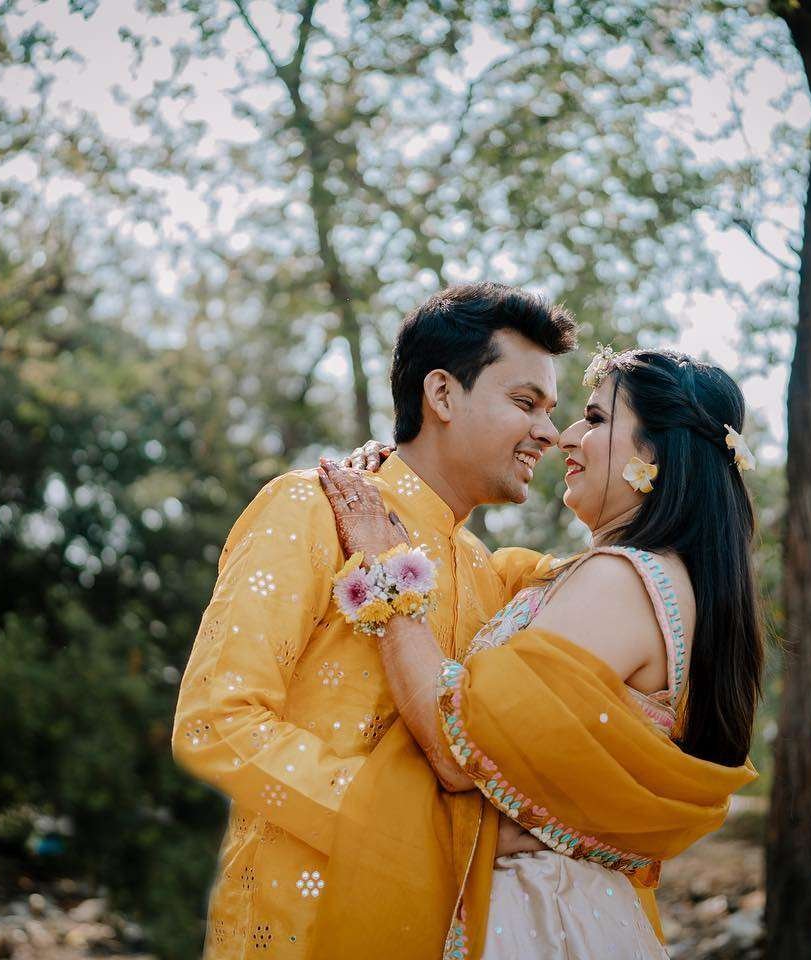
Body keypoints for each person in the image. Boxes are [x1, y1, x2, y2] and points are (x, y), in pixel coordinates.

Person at [308, 346, 764, 959]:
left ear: (654, 454)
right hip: (568, 908)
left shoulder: (622, 582)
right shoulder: (652, 581)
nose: (566, 436)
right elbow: (478, 576)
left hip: (532, 916)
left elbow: (456, 745)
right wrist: (404, 486)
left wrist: (381, 562)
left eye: (596, 419)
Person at [171, 281, 578, 958]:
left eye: (552, 411)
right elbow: (217, 721)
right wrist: (399, 829)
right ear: (441, 394)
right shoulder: (311, 509)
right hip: (296, 930)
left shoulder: (490, 576)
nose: (550, 432)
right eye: (525, 402)